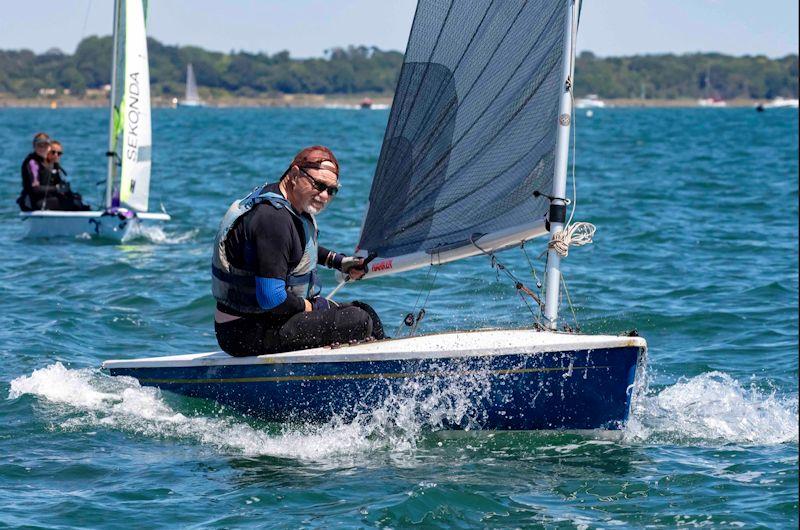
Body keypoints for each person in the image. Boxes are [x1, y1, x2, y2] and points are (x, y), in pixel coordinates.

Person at [212, 145, 385, 357]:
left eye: (332, 190)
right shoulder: (272, 219)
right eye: (319, 185)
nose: (324, 196)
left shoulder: (285, 202)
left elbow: (293, 248)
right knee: (357, 321)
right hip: (244, 331)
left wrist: (339, 261)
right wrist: (313, 306)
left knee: (365, 312)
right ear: (294, 174)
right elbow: (271, 298)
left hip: (269, 319)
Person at [17, 135, 90, 211]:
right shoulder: (33, 163)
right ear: (34, 146)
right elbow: (35, 189)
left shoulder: (49, 164)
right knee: (74, 203)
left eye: (45, 145)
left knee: (76, 200)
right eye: (39, 145)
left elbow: (58, 185)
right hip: (34, 203)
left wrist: (69, 193)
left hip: (46, 200)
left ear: (49, 147)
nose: (42, 148)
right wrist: (56, 189)